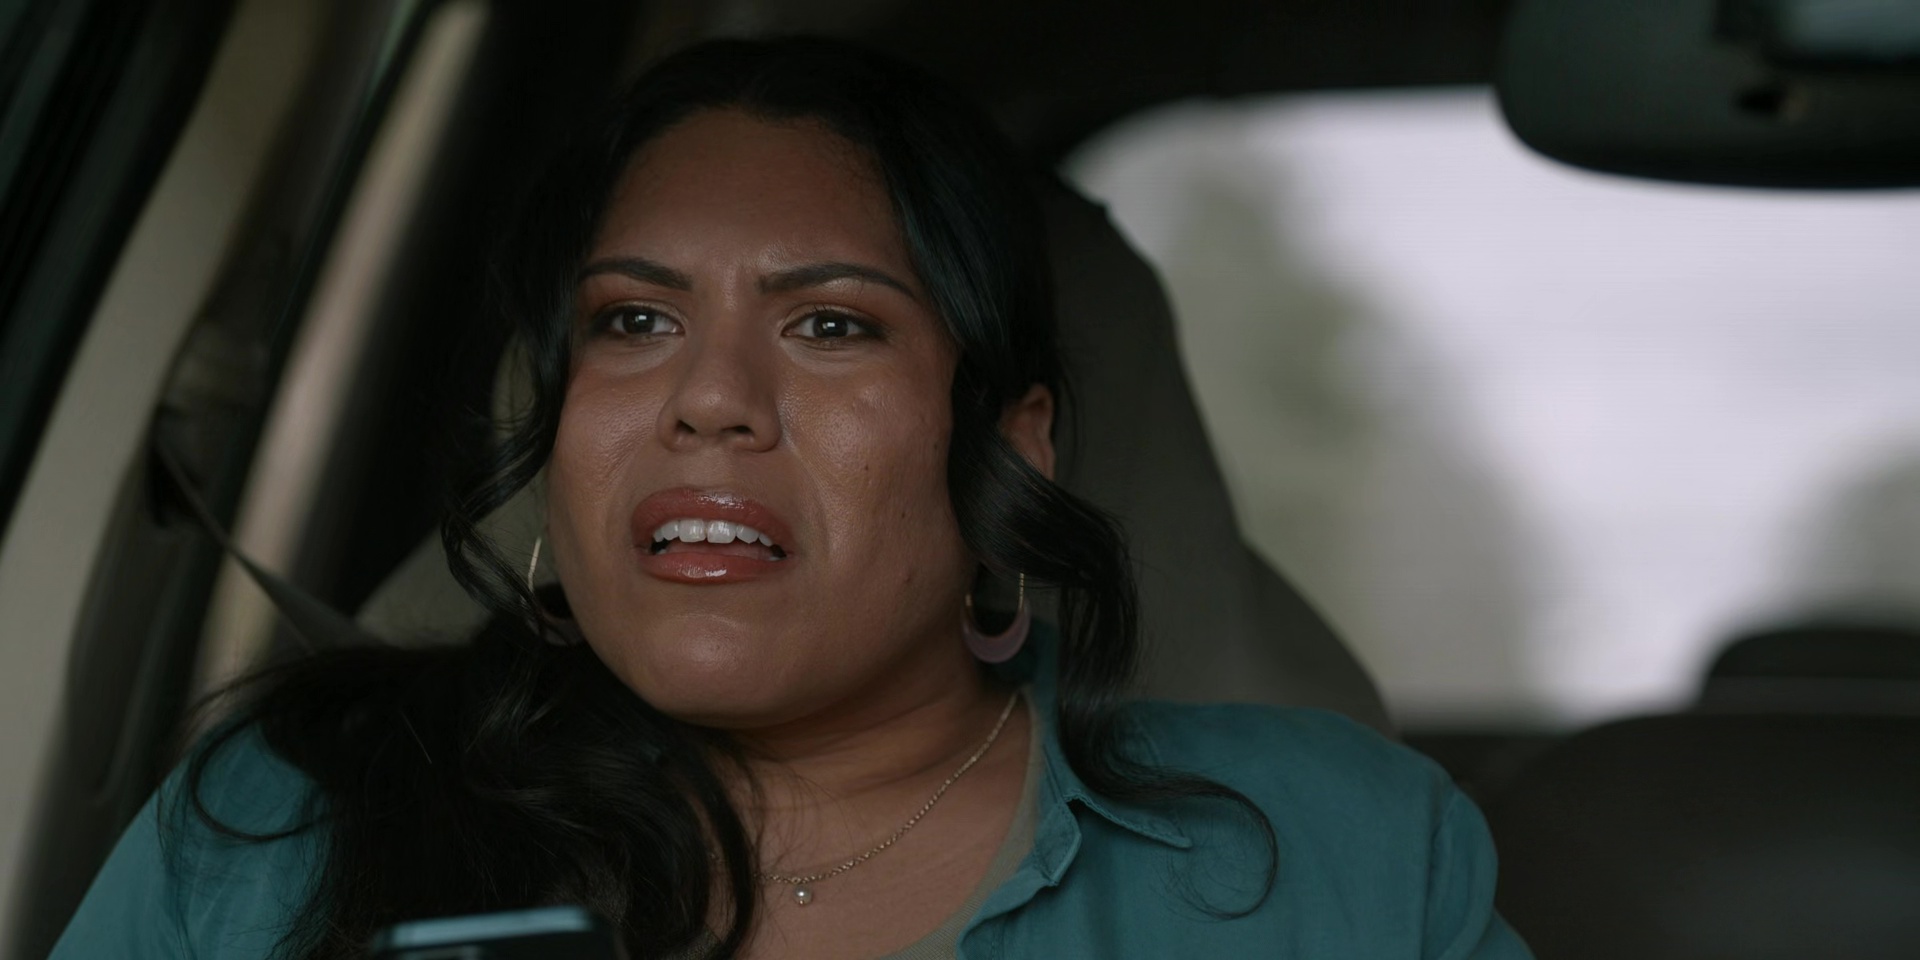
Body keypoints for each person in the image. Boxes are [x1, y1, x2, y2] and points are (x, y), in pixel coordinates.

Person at [50, 37, 1533, 960]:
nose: (710, 398)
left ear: (1012, 447)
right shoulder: (281, 831)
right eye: (634, 321)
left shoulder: (1337, 859)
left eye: (831, 325)